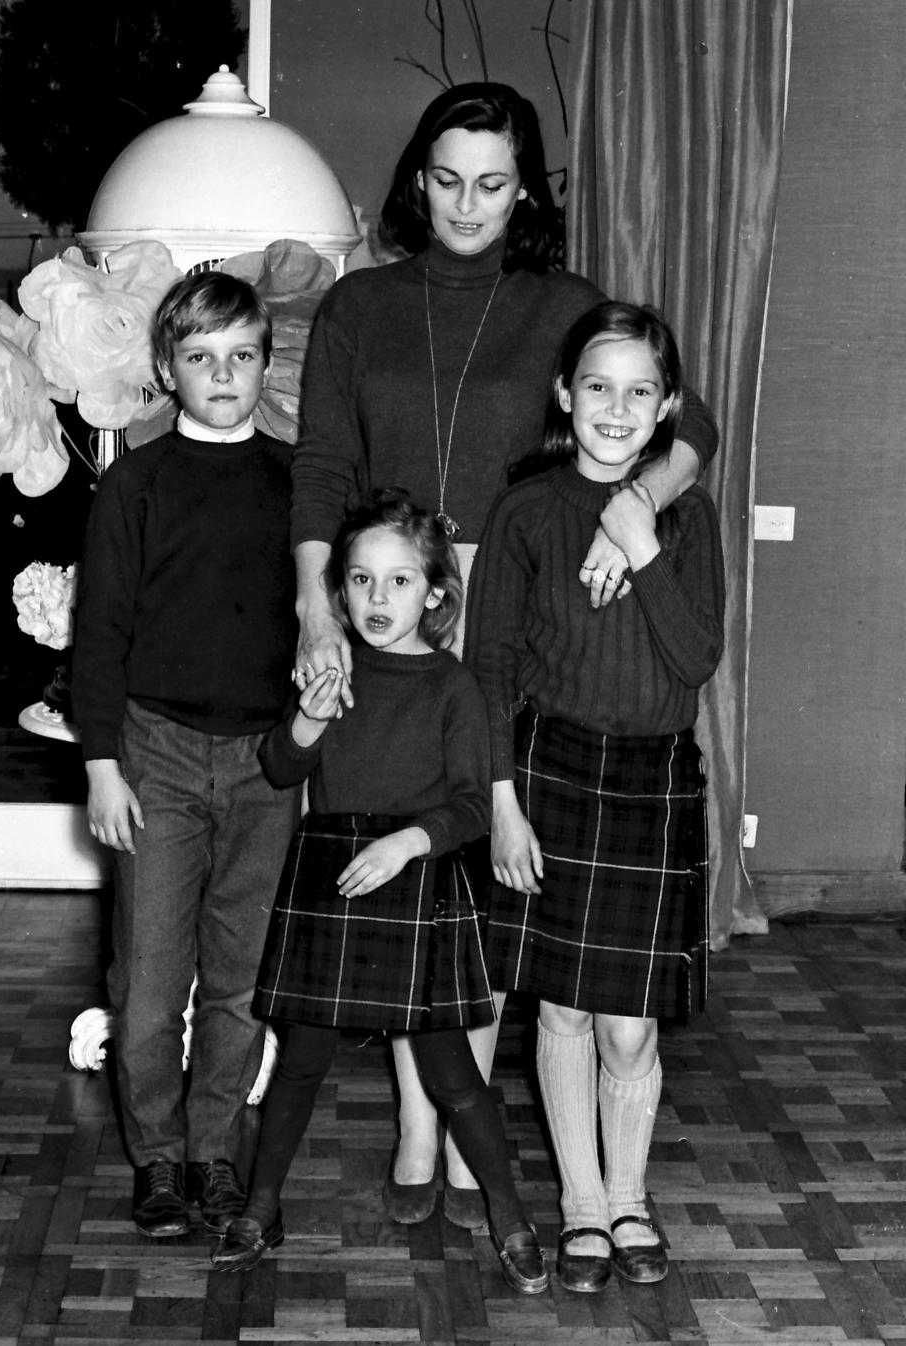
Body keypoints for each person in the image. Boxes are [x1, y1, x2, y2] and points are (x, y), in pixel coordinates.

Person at [290, 81, 720, 1229]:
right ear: (415, 179)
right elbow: (323, 463)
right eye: (445, 178)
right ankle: (421, 1119)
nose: (467, 203)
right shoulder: (359, 307)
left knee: (476, 877)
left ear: (523, 186)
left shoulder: (565, 302)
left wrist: (635, 507)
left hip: (513, 606)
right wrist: (319, 606)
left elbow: (692, 427)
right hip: (386, 609)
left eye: (492, 181)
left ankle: (465, 1099)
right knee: (405, 864)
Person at [210, 489, 548, 1295]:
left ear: (435, 592)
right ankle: (261, 1208)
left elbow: (471, 804)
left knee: (455, 1077)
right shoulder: (331, 670)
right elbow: (280, 769)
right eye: (360, 581)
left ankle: (510, 1215)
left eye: (399, 582)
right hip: (332, 877)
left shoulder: (453, 687)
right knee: (299, 1066)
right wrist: (309, 721)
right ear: (340, 591)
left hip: (414, 880)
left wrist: (406, 842)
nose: (376, 600)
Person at [464, 301, 725, 1292]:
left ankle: (631, 1198)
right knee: (565, 1013)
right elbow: (488, 670)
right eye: (598, 386)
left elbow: (696, 655)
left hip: (654, 781)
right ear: (566, 395)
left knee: (631, 1025)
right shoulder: (527, 510)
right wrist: (500, 800)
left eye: (641, 391)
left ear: (667, 409)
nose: (617, 408)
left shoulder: (688, 516)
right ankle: (582, 1205)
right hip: (548, 773)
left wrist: (641, 534)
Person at [71, 272, 300, 1240]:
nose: (222, 374)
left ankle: (214, 1153)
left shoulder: (296, 481)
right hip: (156, 754)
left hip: (265, 764)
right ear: (167, 367)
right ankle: (157, 1158)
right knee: (152, 981)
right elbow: (101, 632)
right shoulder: (135, 481)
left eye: (240, 355)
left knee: (242, 977)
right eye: (200, 357)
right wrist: (101, 763)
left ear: (263, 363)